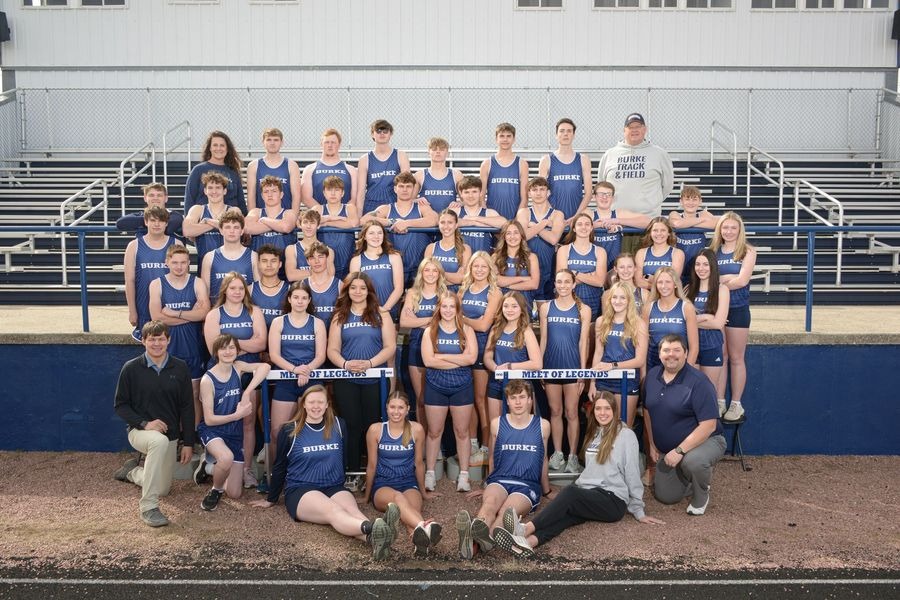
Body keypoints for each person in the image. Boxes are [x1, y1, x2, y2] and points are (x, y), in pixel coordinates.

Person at [493, 392, 664, 558]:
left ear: (614, 410)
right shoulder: (595, 433)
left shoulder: (626, 435)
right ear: (593, 411)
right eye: (598, 409)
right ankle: (529, 543)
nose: (602, 413)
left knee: (570, 493)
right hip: (591, 493)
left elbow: (632, 473)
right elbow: (592, 471)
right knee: (567, 517)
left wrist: (639, 510)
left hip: (613, 500)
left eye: (607, 409)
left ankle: (524, 529)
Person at [250, 386, 395, 560]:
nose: (316, 406)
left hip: (333, 485)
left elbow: (343, 458)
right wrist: (271, 499)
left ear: (327, 405)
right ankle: (374, 528)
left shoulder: (338, 425)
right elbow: (280, 466)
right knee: (334, 510)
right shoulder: (290, 430)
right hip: (302, 489)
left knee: (351, 510)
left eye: (320, 402)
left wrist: (340, 482)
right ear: (303, 404)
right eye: (311, 402)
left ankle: (375, 540)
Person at [113, 321, 195, 527]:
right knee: (157, 441)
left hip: (171, 435)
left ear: (168, 340)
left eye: (161, 339)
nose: (157, 343)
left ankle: (132, 472)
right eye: (152, 339)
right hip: (139, 432)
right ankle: (148, 507)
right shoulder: (131, 368)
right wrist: (144, 423)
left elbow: (187, 407)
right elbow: (120, 406)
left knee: (163, 489)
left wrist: (187, 443)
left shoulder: (180, 367)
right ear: (143, 341)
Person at [457, 380, 550, 560]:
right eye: (513, 398)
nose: (517, 402)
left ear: (530, 400)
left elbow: (543, 459)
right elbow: (492, 457)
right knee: (490, 503)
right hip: (500, 480)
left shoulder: (542, 425)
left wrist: (546, 491)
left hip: (526, 485)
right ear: (506, 401)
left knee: (507, 511)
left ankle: (478, 542)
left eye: (522, 397)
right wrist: (487, 484)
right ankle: (475, 541)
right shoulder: (497, 424)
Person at [644, 335, 726, 516]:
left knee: (694, 461)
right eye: (666, 350)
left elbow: (709, 426)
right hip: (669, 449)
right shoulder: (651, 376)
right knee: (665, 496)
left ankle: (701, 494)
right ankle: (691, 479)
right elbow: (647, 412)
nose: (671, 355)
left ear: (686, 353)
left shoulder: (699, 382)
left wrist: (679, 451)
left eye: (676, 350)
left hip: (707, 441)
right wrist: (651, 443)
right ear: (659, 354)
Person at [326, 272, 397, 476]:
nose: (358, 292)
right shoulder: (340, 315)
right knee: (352, 424)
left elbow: (390, 346)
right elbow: (332, 349)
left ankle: (375, 472)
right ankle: (353, 471)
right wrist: (346, 364)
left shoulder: (381, 314)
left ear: (369, 291)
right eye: (353, 287)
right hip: (347, 378)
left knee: (373, 424)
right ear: (347, 291)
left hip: (374, 377)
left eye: (362, 288)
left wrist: (370, 363)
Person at [203, 272, 267, 489]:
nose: (237, 292)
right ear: (225, 291)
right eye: (233, 288)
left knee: (247, 422)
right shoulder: (215, 314)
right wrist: (242, 344)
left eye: (241, 288)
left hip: (248, 372)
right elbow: (214, 348)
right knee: (225, 418)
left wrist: (230, 344)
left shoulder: (253, 311)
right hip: (223, 374)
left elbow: (260, 344)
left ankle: (246, 469)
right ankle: (215, 462)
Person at [195, 334, 271, 511]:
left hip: (233, 434)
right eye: (223, 348)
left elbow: (265, 366)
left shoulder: (238, 367)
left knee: (235, 493)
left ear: (238, 351)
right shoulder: (208, 380)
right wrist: (238, 415)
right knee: (226, 458)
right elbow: (209, 419)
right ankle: (215, 490)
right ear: (216, 352)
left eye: (231, 348)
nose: (228, 351)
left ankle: (208, 468)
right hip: (213, 431)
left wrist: (246, 392)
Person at [363, 391, 442, 558]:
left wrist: (423, 493)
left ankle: (421, 543)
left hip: (408, 482)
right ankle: (425, 526)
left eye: (400, 407)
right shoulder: (376, 430)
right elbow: (371, 465)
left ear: (408, 409)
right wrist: (366, 496)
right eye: (392, 407)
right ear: (386, 408)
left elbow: (419, 464)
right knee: (399, 498)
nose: (396, 411)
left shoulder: (416, 429)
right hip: (383, 486)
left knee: (410, 511)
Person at [421, 292, 478, 493]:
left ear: (457, 309)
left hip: (461, 386)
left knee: (462, 432)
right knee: (434, 431)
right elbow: (428, 361)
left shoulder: (467, 330)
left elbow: (471, 359)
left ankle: (464, 475)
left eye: (451, 307)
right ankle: (429, 474)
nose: (447, 310)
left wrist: (441, 357)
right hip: (435, 386)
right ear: (438, 308)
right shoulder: (430, 331)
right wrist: (457, 359)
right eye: (443, 306)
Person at [148, 245, 210, 426]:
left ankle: (192, 439)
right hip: (168, 350)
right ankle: (171, 438)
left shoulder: (197, 283)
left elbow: (204, 314)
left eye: (183, 262)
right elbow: (157, 318)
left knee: (194, 395)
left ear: (189, 263)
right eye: (174, 262)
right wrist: (190, 315)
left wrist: (174, 313)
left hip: (193, 348)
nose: (179, 267)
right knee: (166, 395)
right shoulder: (157, 284)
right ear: (166, 262)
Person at [267, 280, 328, 463]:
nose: (300, 301)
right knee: (277, 431)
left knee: (312, 430)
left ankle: (311, 469)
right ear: (289, 299)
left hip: (311, 380)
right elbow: (274, 355)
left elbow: (321, 356)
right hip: (286, 379)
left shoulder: (317, 323)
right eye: (296, 297)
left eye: (304, 298)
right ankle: (275, 472)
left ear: (309, 300)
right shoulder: (279, 322)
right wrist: (295, 370)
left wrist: (306, 371)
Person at [597, 114, 674, 255]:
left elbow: (667, 186)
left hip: (648, 226)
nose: (634, 130)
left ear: (645, 129)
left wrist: (648, 202)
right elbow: (603, 185)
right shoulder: (610, 154)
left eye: (638, 126)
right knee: (618, 271)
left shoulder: (659, 154)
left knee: (644, 272)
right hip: (616, 226)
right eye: (630, 127)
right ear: (624, 130)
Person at [539, 270, 592, 475]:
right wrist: (541, 368)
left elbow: (583, 343)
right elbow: (543, 339)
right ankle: (558, 453)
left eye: (566, 282)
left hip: (571, 367)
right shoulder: (546, 308)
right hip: (551, 366)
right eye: (559, 281)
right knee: (555, 412)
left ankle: (572, 455)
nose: (562, 285)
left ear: (573, 284)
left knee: (571, 412)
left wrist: (582, 372)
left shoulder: (583, 310)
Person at [710, 211, 757, 422]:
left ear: (740, 230)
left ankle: (736, 403)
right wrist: (729, 278)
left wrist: (721, 281)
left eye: (733, 228)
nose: (728, 232)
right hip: (717, 309)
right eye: (725, 227)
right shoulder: (713, 251)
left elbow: (742, 281)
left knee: (737, 358)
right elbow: (709, 280)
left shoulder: (748, 251)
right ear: (719, 229)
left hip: (738, 308)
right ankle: (719, 400)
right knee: (721, 357)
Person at [458, 251, 503, 469]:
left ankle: (487, 446)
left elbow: (484, 325)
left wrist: (461, 319)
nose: (479, 270)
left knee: (482, 398)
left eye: (484, 267)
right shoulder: (463, 289)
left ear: (490, 270)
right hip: (463, 347)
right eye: (476, 266)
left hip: (484, 345)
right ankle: (473, 442)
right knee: (469, 398)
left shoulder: (494, 292)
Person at [362, 171, 437, 288]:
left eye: (408, 186)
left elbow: (434, 220)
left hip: (418, 266)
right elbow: (364, 219)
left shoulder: (421, 207)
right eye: (401, 186)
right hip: (393, 266)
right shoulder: (386, 208)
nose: (405, 190)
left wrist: (406, 223)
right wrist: (392, 221)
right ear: (395, 189)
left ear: (413, 189)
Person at [591, 281, 648, 427]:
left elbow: (640, 360)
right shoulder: (601, 322)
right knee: (603, 427)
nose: (618, 301)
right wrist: (592, 383)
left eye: (622, 298)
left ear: (629, 301)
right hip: (604, 381)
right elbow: (598, 353)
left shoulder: (638, 324)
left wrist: (613, 366)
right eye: (614, 297)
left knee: (623, 428)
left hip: (627, 382)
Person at [399, 258, 447, 432]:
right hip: (416, 346)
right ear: (421, 272)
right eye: (427, 270)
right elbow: (404, 321)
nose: (431, 274)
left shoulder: (444, 294)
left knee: (436, 398)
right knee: (420, 398)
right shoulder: (413, 293)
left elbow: (448, 321)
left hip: (440, 348)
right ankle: (424, 439)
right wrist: (432, 319)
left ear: (440, 274)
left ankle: (437, 439)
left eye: (435, 271)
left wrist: (417, 320)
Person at [483, 291, 542, 426]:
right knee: (496, 426)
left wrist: (510, 367)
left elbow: (537, 363)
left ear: (521, 309)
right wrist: (496, 368)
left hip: (519, 387)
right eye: (506, 306)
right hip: (496, 383)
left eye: (514, 306)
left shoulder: (526, 331)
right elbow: (487, 356)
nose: (509, 310)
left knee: (519, 427)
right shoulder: (495, 329)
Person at [123, 206, 180, 342]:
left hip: (169, 309)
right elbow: (129, 281)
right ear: (146, 222)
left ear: (166, 223)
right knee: (150, 348)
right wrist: (132, 311)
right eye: (153, 220)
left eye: (161, 221)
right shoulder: (134, 246)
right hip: (143, 309)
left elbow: (181, 279)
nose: (156, 224)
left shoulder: (176, 243)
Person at [685, 249, 730, 403]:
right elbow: (683, 320)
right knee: (692, 389)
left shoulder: (722, 290)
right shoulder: (687, 289)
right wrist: (706, 317)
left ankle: (711, 425)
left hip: (712, 345)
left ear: (712, 266)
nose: (701, 268)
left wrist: (694, 320)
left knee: (709, 390)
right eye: (698, 264)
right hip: (691, 345)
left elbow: (718, 324)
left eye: (705, 264)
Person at [516, 177, 564, 303]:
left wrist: (533, 226)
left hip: (548, 268)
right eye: (534, 190)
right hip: (526, 269)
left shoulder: (557, 214)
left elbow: (553, 239)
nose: (538, 193)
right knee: (524, 312)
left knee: (544, 313)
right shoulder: (524, 212)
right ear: (529, 193)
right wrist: (543, 224)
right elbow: (523, 236)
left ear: (548, 193)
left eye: (542, 189)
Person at [642, 266, 699, 371]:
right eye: (660, 282)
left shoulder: (686, 307)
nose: (664, 286)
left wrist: (687, 373)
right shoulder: (648, 308)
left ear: (675, 284)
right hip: (653, 366)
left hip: (679, 367)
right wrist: (644, 375)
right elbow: (643, 346)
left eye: (668, 282)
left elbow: (694, 347)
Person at [538, 118, 592, 223]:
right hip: (553, 218)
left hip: (577, 218)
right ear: (556, 135)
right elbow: (540, 193)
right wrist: (555, 216)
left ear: (574, 135)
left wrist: (577, 216)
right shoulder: (546, 160)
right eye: (562, 131)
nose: (565, 134)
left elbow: (588, 193)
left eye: (569, 131)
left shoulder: (583, 160)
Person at [348, 221, 404, 322]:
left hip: (390, 309)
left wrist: (385, 309)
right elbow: (356, 290)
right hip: (367, 312)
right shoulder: (356, 261)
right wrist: (368, 310)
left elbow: (399, 288)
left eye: (379, 233)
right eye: (371, 233)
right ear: (364, 236)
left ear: (384, 235)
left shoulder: (394, 256)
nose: (376, 236)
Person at [557, 212, 608, 321]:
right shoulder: (564, 250)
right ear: (574, 228)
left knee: (590, 334)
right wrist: (590, 276)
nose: (583, 227)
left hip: (594, 301)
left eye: (587, 224)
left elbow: (599, 281)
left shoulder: (600, 251)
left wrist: (575, 273)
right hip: (569, 300)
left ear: (591, 228)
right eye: (579, 224)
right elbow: (562, 281)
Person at [182, 171, 239, 268]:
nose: (214, 192)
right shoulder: (198, 209)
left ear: (224, 191)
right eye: (210, 188)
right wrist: (217, 225)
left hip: (230, 266)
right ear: (205, 191)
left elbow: (240, 231)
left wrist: (207, 221)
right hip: (204, 266)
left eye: (218, 188)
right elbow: (187, 231)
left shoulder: (233, 210)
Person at [200, 210, 258, 304]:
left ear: (242, 231)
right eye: (227, 227)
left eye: (236, 227)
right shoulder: (209, 257)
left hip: (245, 313)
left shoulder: (253, 256)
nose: (232, 231)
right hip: (217, 312)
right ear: (221, 230)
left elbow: (257, 291)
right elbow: (205, 294)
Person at [591, 181, 651, 271]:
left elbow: (649, 221)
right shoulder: (589, 214)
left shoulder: (619, 213)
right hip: (593, 265)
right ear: (594, 197)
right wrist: (599, 224)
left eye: (608, 194)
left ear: (613, 198)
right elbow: (574, 225)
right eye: (601, 194)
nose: (604, 197)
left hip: (615, 267)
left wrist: (617, 221)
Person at [356, 119, 410, 216]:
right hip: (371, 205)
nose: (382, 134)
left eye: (385, 131)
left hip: (394, 205)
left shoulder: (401, 156)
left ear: (390, 134)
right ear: (372, 134)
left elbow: (407, 185)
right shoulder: (365, 159)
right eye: (378, 131)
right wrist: (359, 216)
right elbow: (361, 191)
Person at [184, 130, 246, 215]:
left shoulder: (233, 171)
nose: (219, 148)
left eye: (222, 145)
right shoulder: (198, 170)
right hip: (204, 222)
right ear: (210, 148)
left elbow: (240, 200)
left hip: (230, 223)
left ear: (227, 149)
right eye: (215, 145)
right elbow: (189, 200)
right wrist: (190, 221)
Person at [312, 175, 359, 281]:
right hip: (324, 262)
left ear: (342, 193)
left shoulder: (349, 208)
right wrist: (334, 218)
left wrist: (327, 222)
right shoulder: (318, 208)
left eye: (337, 190)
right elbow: (310, 222)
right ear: (324, 192)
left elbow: (353, 223)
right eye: (329, 190)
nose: (333, 193)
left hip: (347, 261)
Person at [669, 186, 719, 286]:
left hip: (699, 267)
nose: (690, 202)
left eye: (694, 199)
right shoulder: (675, 214)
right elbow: (677, 224)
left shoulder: (704, 214)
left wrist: (686, 223)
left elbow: (716, 223)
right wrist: (702, 221)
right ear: (681, 201)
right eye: (687, 199)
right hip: (679, 266)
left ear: (700, 201)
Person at [480, 122, 529, 221]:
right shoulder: (487, 164)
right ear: (496, 139)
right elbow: (481, 196)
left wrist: (517, 220)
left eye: (508, 136)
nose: (505, 139)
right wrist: (490, 219)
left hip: (514, 219)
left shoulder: (522, 164)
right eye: (502, 136)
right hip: (492, 220)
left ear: (514, 139)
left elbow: (524, 198)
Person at [246, 128, 301, 212]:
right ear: (263, 142)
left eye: (276, 140)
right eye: (268, 140)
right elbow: (251, 196)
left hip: (285, 218)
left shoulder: (291, 165)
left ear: (281, 143)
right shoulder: (253, 165)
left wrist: (293, 217)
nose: (272, 143)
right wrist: (252, 217)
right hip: (261, 218)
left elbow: (296, 196)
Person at [301, 128, 357, 209]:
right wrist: (323, 213)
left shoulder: (351, 170)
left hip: (344, 218)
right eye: (326, 142)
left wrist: (342, 213)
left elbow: (354, 198)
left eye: (333, 142)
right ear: (321, 144)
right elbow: (306, 198)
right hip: (319, 219)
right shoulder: (310, 169)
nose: (330, 145)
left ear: (339, 144)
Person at [493, 220, 540, 317]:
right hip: (503, 303)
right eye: (508, 233)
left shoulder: (531, 257)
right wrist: (523, 278)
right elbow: (496, 281)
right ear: (504, 237)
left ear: (521, 236)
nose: (512, 237)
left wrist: (508, 286)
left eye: (516, 233)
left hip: (524, 303)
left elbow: (534, 284)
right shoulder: (495, 257)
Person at [244, 175, 297, 255]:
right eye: (266, 191)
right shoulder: (255, 212)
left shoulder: (289, 212)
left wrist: (263, 220)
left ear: (281, 194)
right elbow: (246, 228)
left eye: (274, 191)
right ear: (262, 196)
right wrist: (278, 226)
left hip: (285, 264)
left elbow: (286, 227)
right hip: (259, 264)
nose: (270, 195)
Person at [453, 175, 505, 256]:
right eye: (466, 192)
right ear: (461, 194)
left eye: (474, 192)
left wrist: (473, 219)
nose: (471, 196)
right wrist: (475, 223)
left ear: (480, 193)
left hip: (483, 264)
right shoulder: (455, 211)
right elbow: (447, 222)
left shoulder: (489, 213)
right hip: (460, 262)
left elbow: (504, 223)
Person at [423, 209, 471, 292]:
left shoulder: (465, 249)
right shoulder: (431, 248)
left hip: (456, 294)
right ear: (438, 224)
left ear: (456, 225)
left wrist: (437, 273)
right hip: (435, 291)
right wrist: (453, 277)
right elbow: (426, 276)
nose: (446, 226)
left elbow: (463, 279)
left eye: (450, 222)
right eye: (442, 222)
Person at [116, 182, 184, 238]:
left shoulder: (175, 216)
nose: (155, 198)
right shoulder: (140, 215)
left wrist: (147, 222)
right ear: (145, 198)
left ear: (166, 198)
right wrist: (148, 219)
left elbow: (169, 229)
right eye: (151, 195)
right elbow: (120, 223)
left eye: (159, 195)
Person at [415, 137, 463, 214]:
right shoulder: (419, 175)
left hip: (449, 220)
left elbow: (466, 201)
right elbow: (409, 200)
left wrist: (459, 204)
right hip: (426, 218)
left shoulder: (456, 175)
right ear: (428, 152)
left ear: (447, 153)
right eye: (434, 149)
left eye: (441, 149)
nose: (438, 152)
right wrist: (417, 201)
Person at [635, 217, 684, 290]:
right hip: (646, 296)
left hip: (668, 296)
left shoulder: (677, 253)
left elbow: (673, 281)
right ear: (650, 233)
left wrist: (653, 279)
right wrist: (660, 286)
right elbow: (638, 282)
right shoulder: (641, 253)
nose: (659, 233)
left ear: (669, 233)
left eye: (663, 230)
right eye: (655, 230)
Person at [285, 210, 336, 282]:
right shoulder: (291, 249)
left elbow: (330, 274)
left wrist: (301, 273)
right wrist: (319, 272)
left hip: (319, 291)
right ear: (300, 225)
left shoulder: (328, 250)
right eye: (305, 222)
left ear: (318, 226)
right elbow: (291, 276)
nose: (308, 226)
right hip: (300, 291)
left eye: (312, 223)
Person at [303, 242, 342, 331]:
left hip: (333, 335)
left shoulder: (339, 284)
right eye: (312, 258)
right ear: (308, 261)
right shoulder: (302, 285)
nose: (317, 261)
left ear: (327, 258)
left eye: (320, 257)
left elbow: (344, 314)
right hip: (310, 336)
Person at [249, 244, 288, 329]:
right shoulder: (249, 289)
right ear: (258, 264)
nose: (269, 265)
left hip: (280, 339)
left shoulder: (289, 290)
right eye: (264, 261)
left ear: (280, 264)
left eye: (273, 261)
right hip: (256, 338)